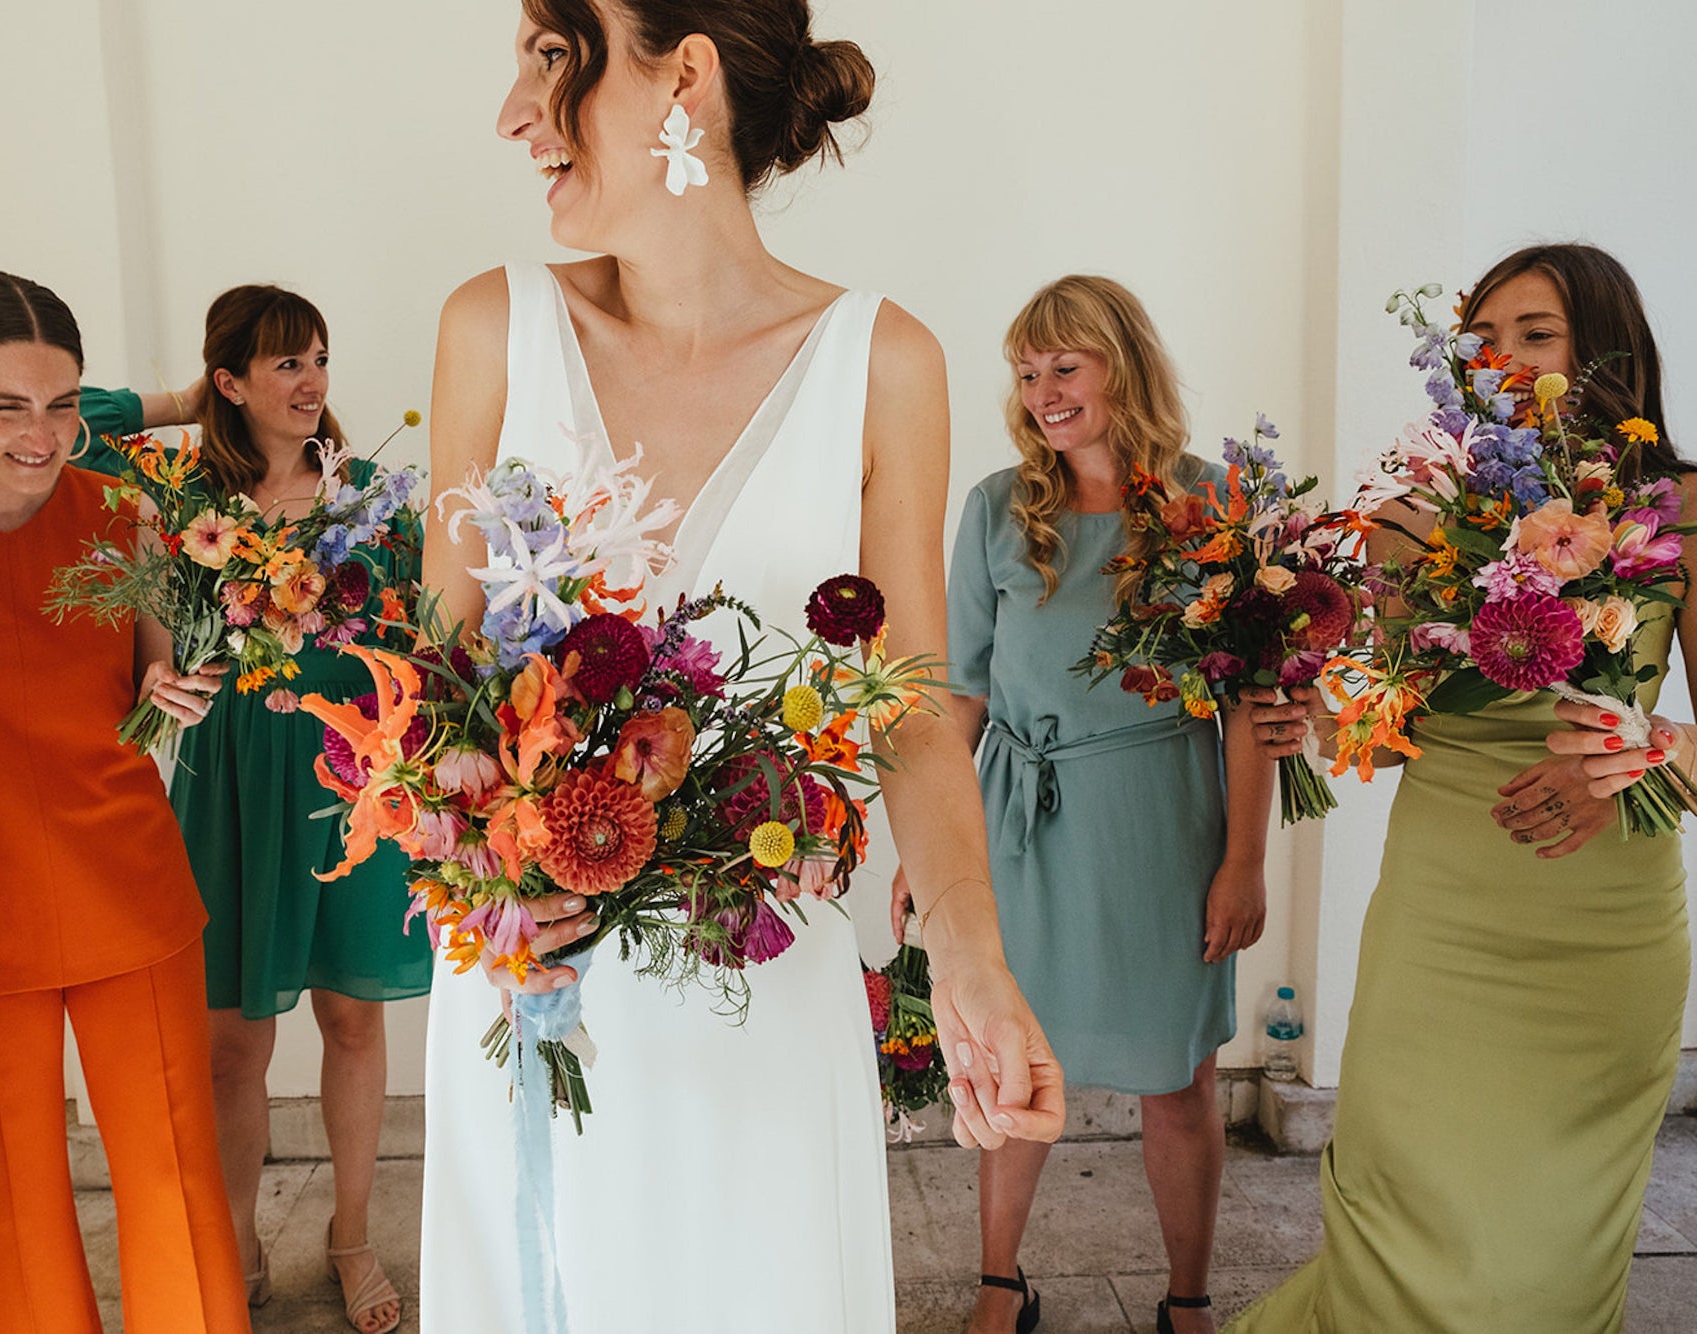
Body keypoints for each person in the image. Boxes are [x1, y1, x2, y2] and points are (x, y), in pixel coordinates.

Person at [418, 4, 1066, 1331]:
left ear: (687, 78)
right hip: (534, 990)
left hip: (765, 996)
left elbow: (916, 715)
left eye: (551, 57)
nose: (512, 112)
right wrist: (481, 852)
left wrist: (974, 960)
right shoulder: (495, 329)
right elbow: (439, 694)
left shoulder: (882, 363)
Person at [1231, 243, 1691, 1331]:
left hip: (1601, 933)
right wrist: (1313, 712)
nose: (1501, 360)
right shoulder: (1411, 512)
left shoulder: (1674, 508)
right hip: (1440, 919)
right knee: (1411, 1208)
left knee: (1542, 1257)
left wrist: (1627, 761)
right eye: (1479, 339)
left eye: (1534, 334)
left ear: (1602, 352)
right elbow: (1385, 734)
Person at [918, 275, 1299, 1334]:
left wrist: (1243, 859)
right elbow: (961, 689)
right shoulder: (996, 506)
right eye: (1026, 372)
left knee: (1177, 1073)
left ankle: (1186, 1295)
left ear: (1119, 362)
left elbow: (1248, 698)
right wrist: (931, 844)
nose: (1041, 390)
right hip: (1020, 819)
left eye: (1063, 366)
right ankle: (1000, 1282)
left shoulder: (1212, 502)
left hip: (1159, 819)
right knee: (1010, 1049)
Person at [0, 270, 249, 1334]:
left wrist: (176, 684)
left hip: (126, 893)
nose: (44, 434)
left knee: (173, 1188)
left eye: (61, 403)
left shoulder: (123, 515)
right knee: (6, 1211)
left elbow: (157, 680)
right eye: (9, 404)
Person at [75, 285, 430, 1332]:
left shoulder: (367, 493)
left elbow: (415, 641)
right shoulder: (183, 490)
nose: (310, 380)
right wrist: (185, 398)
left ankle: (349, 1232)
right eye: (281, 363)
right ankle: (235, 1237)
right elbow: (74, 424)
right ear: (229, 380)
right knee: (232, 1040)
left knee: (351, 1018)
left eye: (317, 357)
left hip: (345, 783)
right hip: (227, 780)